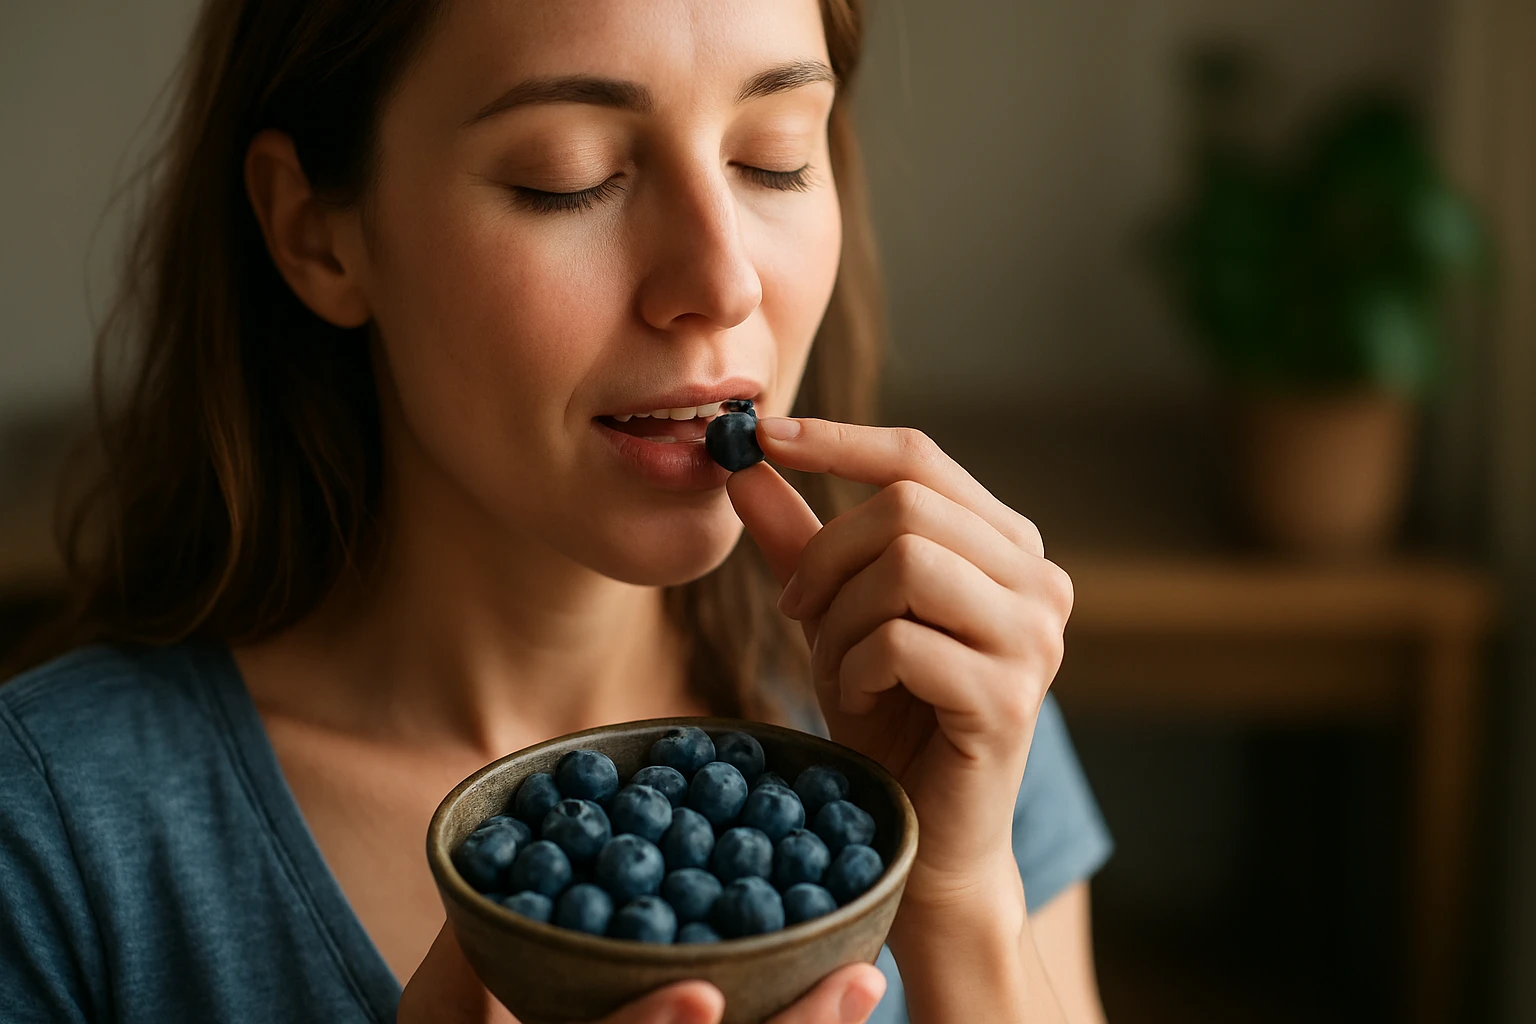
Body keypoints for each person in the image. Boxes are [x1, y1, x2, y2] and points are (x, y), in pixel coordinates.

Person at [0, 1, 1113, 1021]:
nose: (723, 281)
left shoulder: (938, 700)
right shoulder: (52, 839)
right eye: (565, 176)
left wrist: (964, 905)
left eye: (772, 159)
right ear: (315, 233)